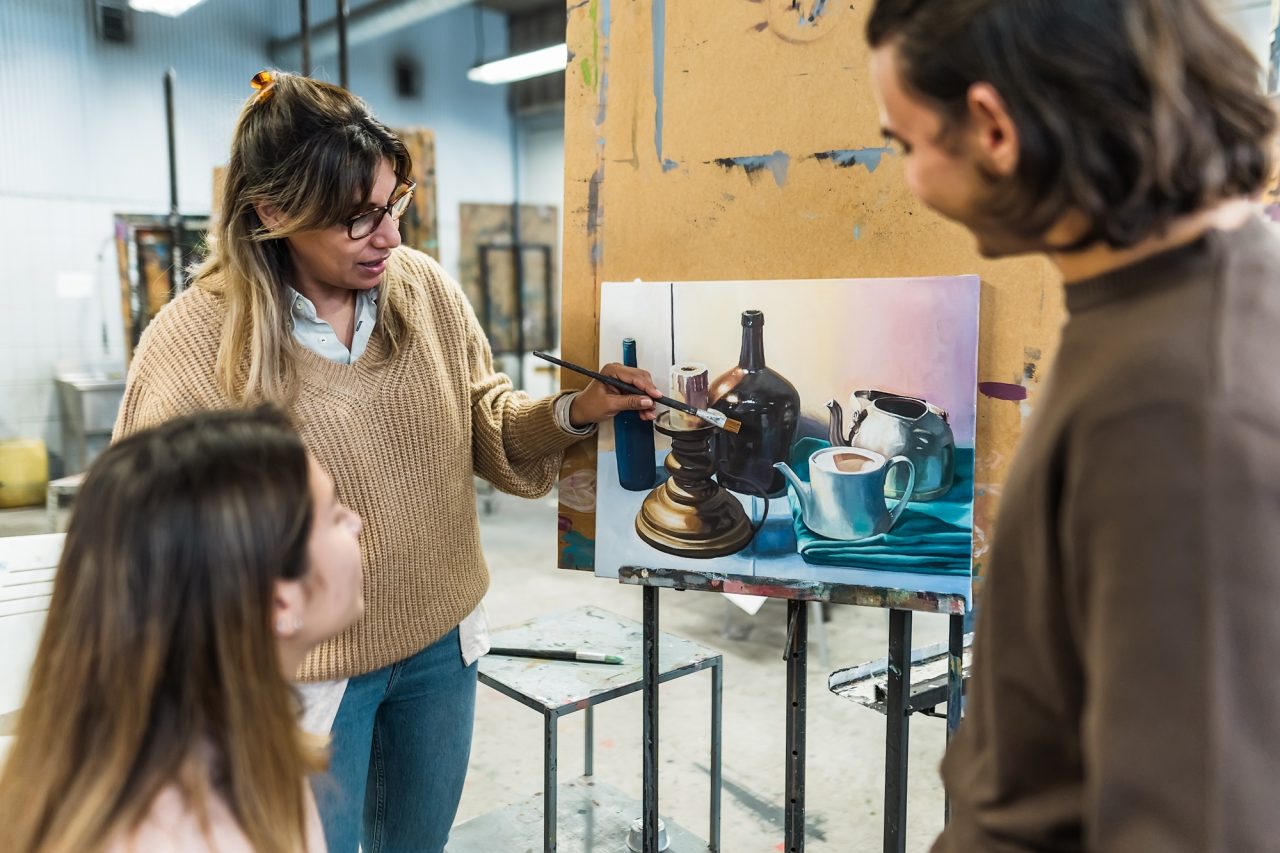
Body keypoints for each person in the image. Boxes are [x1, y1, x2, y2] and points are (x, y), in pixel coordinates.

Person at [112, 70, 660, 852]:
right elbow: (141, 541)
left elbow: (488, 427)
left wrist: (578, 409)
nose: (391, 236)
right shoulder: (195, 341)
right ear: (272, 212)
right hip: (302, 676)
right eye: (357, 218)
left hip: (440, 643)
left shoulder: (422, 290)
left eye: (394, 203)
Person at [865, 1, 1278, 850]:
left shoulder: (1176, 403)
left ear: (993, 128)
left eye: (905, 144)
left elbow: (1192, 823)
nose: (910, 181)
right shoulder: (1154, 306)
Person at [0, 406, 364, 852]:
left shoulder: (244, 755)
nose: (356, 522)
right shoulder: (186, 836)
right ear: (278, 602)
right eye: (334, 516)